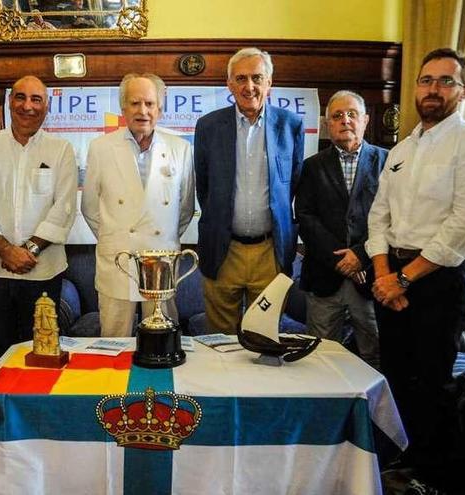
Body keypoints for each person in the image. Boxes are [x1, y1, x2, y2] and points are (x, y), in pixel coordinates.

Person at [366, 48, 465, 470]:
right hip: (390, 274)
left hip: (440, 280)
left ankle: (434, 475)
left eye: (446, 81)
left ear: (462, 92)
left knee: (432, 383)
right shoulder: (402, 149)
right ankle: (399, 463)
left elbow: (463, 227)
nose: (433, 89)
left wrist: (403, 281)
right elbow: (379, 216)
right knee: (394, 376)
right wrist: (383, 274)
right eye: (426, 80)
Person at [0, 75, 77, 376]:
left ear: (46, 107)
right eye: (20, 97)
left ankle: (36, 421)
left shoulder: (61, 149)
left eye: (36, 99)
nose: (27, 106)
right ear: (9, 102)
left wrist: (27, 250)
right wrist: (5, 251)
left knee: (41, 355)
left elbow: (64, 208)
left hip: (42, 271)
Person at [194, 47, 304, 334]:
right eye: (240, 79)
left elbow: (293, 182)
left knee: (265, 338)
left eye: (257, 78)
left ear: (270, 83)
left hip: (271, 251)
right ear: (229, 85)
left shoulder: (291, 125)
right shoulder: (208, 126)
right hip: (223, 249)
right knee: (220, 342)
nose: (249, 86)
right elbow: (204, 187)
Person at [81, 73, 195, 337]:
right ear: (123, 108)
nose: (142, 111)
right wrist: (116, 237)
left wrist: (162, 238)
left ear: (160, 109)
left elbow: (185, 208)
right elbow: (89, 207)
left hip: (161, 263)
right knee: (113, 341)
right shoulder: (101, 148)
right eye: (134, 103)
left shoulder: (180, 149)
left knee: (162, 342)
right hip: (117, 260)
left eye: (149, 104)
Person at [295, 90, 386, 369]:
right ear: (327, 125)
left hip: (372, 278)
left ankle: (371, 413)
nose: (345, 120)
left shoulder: (388, 162)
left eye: (352, 114)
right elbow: (306, 217)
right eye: (337, 116)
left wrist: (361, 255)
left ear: (366, 120)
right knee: (320, 358)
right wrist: (341, 261)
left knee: (375, 356)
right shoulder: (312, 166)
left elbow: (395, 218)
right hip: (325, 278)